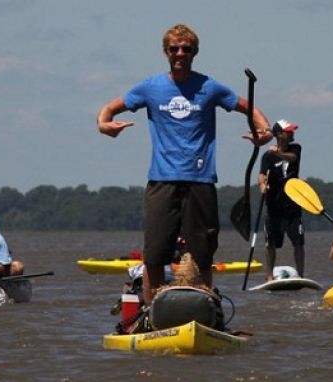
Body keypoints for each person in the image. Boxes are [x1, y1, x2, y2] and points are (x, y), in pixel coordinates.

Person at [97, 23, 271, 304]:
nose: (180, 53)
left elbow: (247, 107)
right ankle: (151, 309)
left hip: (201, 180)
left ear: (195, 52)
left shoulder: (209, 87)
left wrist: (264, 132)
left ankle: (206, 305)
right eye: (174, 49)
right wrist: (105, 125)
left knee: (202, 254)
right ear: (166, 52)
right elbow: (108, 109)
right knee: (154, 254)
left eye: (186, 49)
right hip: (161, 180)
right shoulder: (150, 88)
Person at [258, 119, 304, 281]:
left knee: (298, 242)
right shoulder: (267, 156)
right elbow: (262, 174)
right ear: (279, 134)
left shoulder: (295, 148)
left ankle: (300, 275)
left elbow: (292, 158)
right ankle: (269, 276)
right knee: (270, 244)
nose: (292, 133)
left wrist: (278, 153)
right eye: (289, 131)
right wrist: (263, 185)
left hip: (292, 206)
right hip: (274, 207)